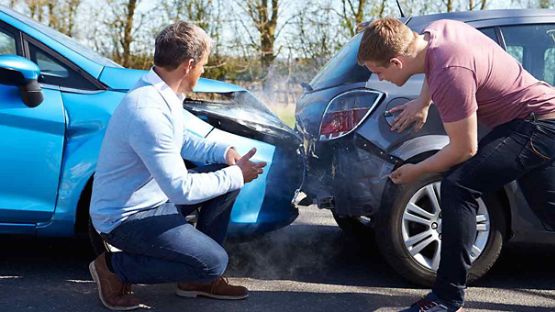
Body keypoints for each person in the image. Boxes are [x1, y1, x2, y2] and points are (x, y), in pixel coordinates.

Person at [357, 17, 555, 312]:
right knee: (549, 212)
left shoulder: (450, 72)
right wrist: (423, 102)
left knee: (459, 185)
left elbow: (464, 149)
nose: (380, 78)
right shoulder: (438, 31)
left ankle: (446, 298)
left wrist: (416, 171)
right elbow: (431, 64)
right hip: (538, 118)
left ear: (397, 62)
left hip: (535, 125)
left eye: (379, 71)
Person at [88, 21, 266, 310]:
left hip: (154, 199)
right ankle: (114, 268)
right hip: (125, 218)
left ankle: (194, 279)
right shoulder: (148, 110)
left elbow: (181, 140)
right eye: (204, 65)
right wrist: (236, 175)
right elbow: (181, 189)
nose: (204, 71)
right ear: (189, 64)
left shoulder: (160, 93)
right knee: (214, 262)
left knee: (224, 181)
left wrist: (225, 153)